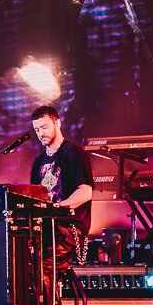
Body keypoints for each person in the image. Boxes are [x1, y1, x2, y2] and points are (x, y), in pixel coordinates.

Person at [24, 103, 95, 263]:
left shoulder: (74, 153)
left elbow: (85, 192)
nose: (41, 133)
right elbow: (36, 198)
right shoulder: (38, 162)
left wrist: (56, 208)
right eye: (37, 130)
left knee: (46, 265)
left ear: (57, 123)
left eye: (44, 127)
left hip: (69, 229)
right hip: (46, 229)